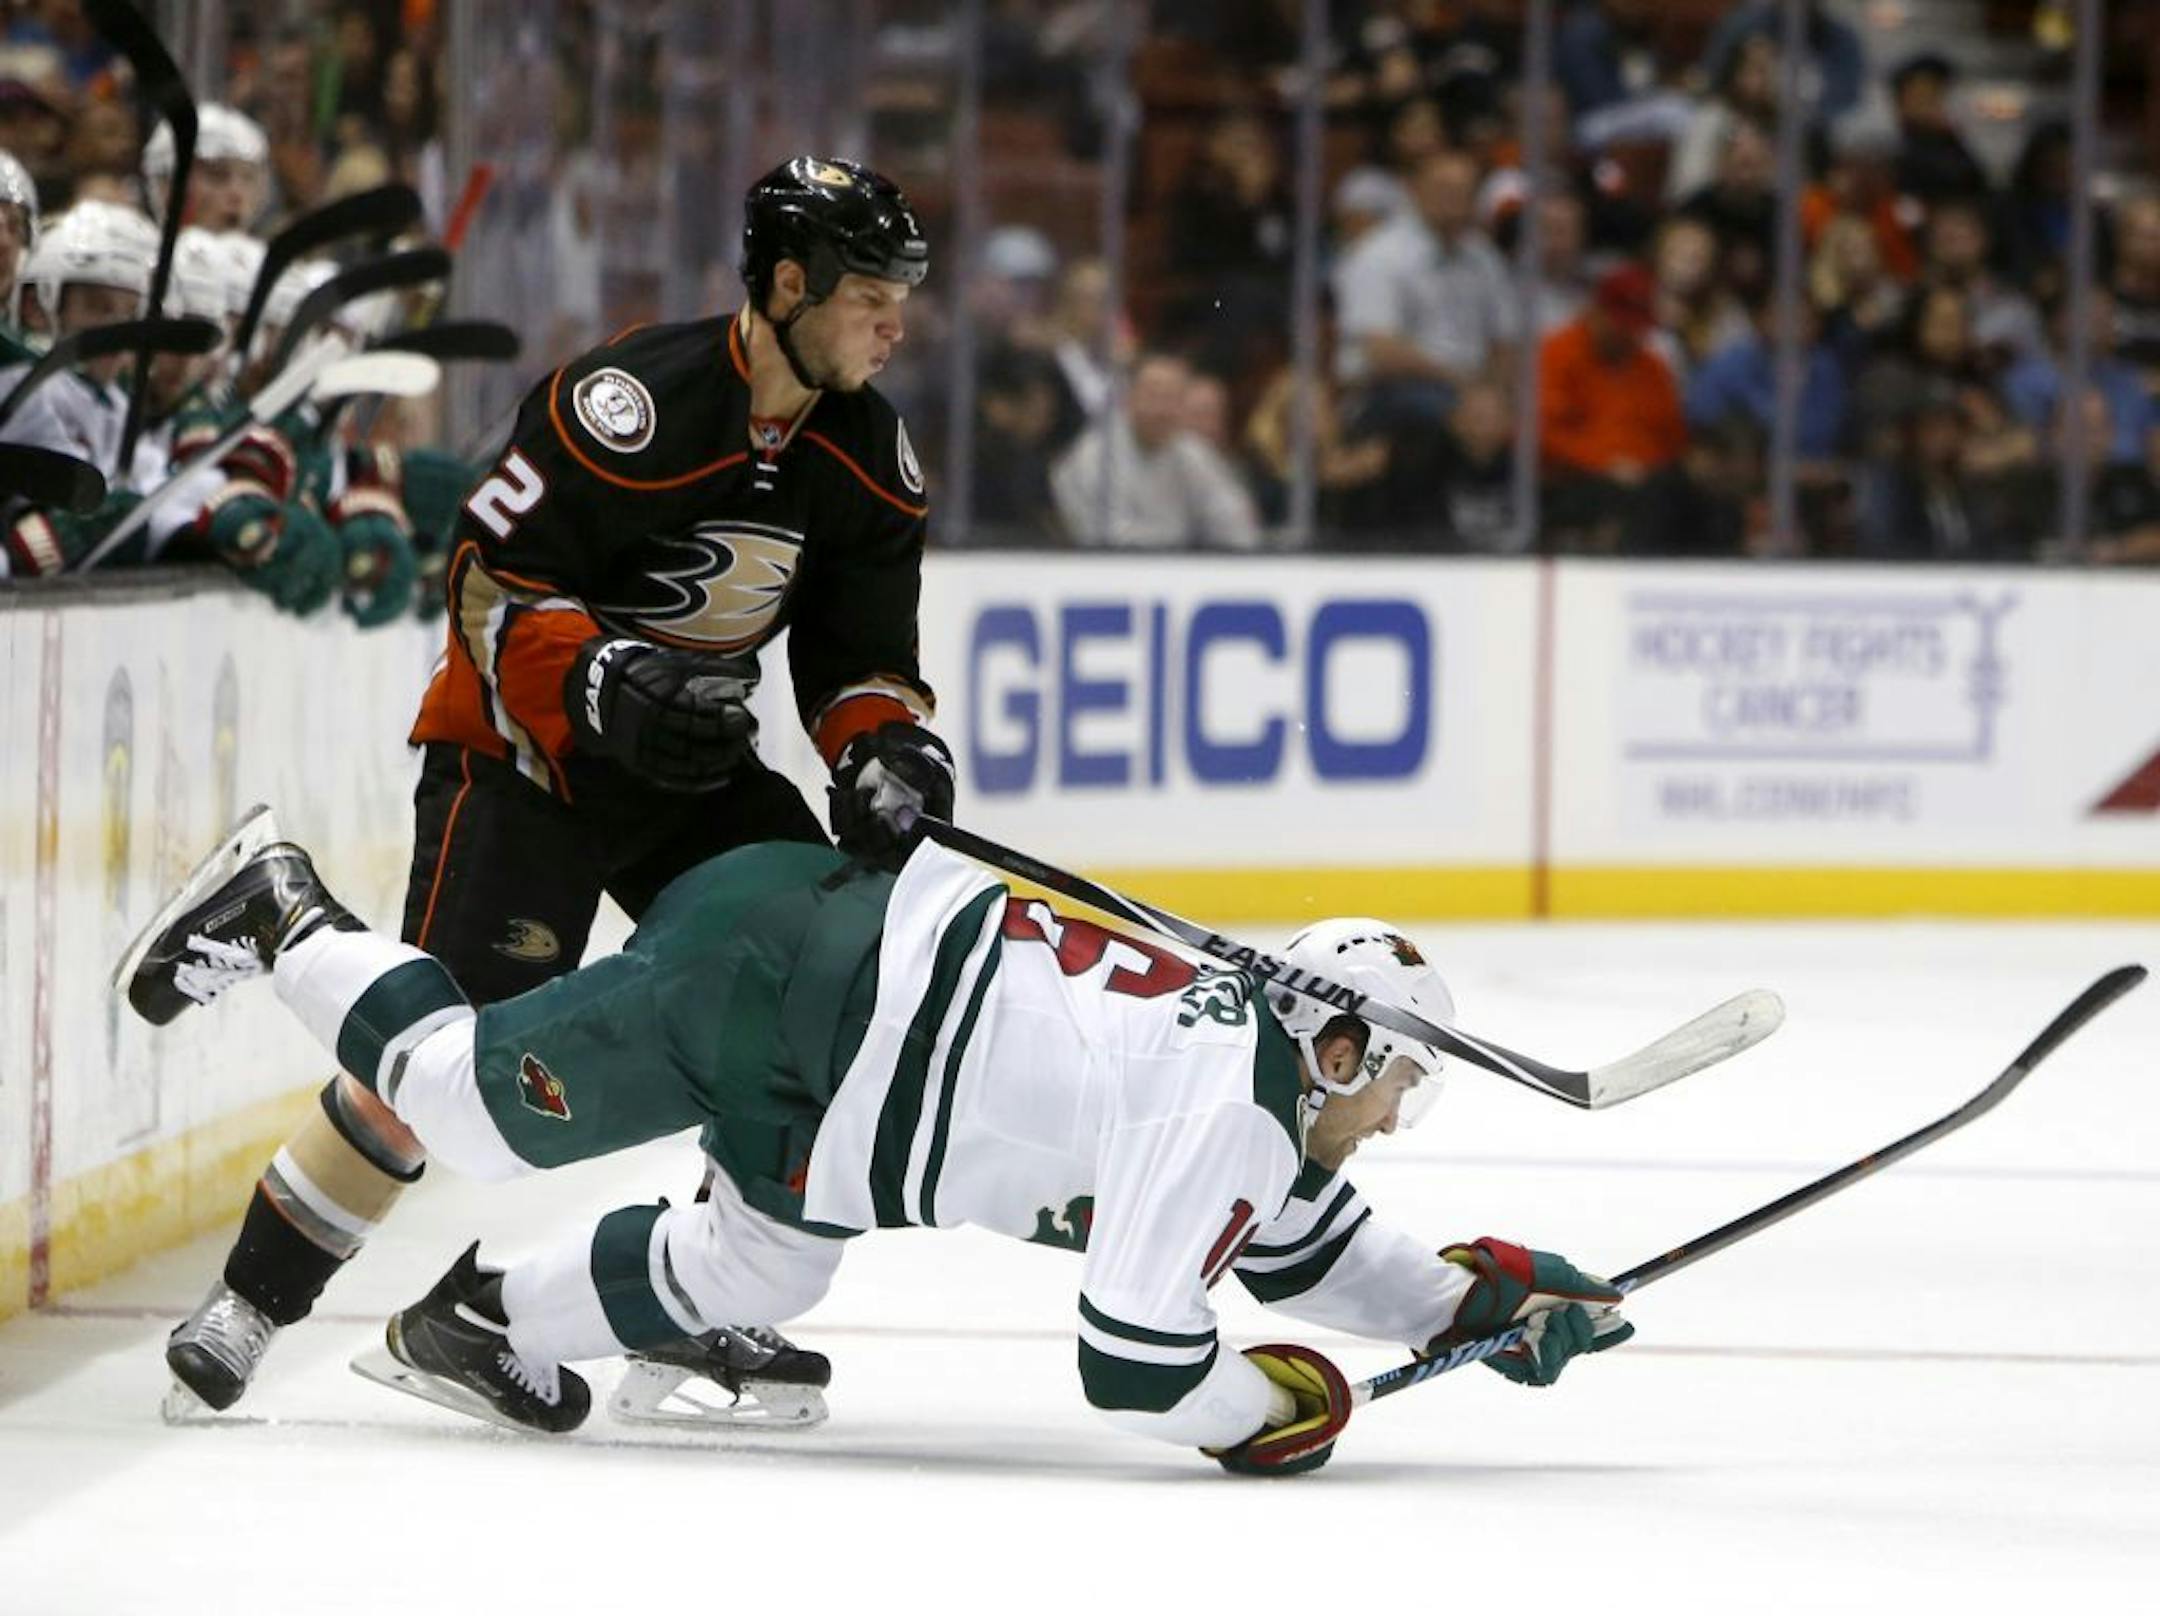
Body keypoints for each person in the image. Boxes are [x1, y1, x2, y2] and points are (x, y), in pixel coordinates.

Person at [158, 155, 956, 1428]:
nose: (896, 321)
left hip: (686, 771)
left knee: (801, 986)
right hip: (521, 750)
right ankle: (255, 1298)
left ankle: (687, 1302)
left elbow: (859, 660)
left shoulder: (869, 455)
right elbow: (484, 586)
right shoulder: (624, 403)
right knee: (449, 1054)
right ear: (789, 285)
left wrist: (884, 751)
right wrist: (600, 681)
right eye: (870, 292)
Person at [122, 810, 1634, 1471]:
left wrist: (1469, 1305)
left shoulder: (1253, 1078)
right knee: (470, 1111)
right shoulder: (1230, 1104)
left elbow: (1296, 1245)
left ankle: (479, 1320)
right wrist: (1272, 1412)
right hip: (787, 993)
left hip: (842, 1067)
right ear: (1341, 1041)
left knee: (763, 1268)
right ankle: (283, 915)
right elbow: (1140, 1360)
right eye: (1399, 1085)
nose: (1393, 1120)